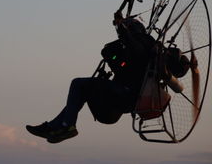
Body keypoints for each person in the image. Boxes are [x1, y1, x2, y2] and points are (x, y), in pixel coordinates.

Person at [26, 11, 156, 143]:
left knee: (78, 83)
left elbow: (135, 50)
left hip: (128, 94)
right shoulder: (128, 50)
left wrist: (122, 28)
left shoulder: (145, 43)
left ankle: (67, 126)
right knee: (82, 90)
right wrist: (119, 33)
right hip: (119, 97)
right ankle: (54, 126)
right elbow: (108, 52)